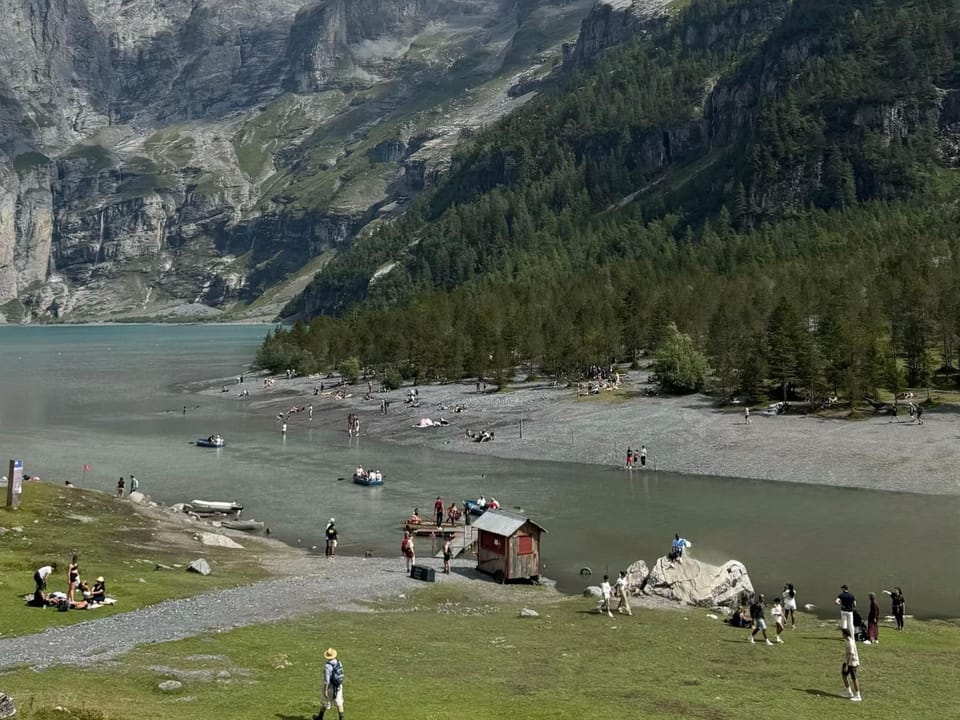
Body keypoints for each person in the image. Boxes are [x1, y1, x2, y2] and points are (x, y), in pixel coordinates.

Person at [315, 647, 345, 720]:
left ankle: (320, 717)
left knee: (325, 701)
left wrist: (325, 690)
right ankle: (342, 718)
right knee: (339, 702)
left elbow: (326, 680)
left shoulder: (327, 666)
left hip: (330, 687)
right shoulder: (338, 662)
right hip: (338, 685)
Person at [841, 628, 862, 701]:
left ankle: (858, 695)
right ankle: (849, 692)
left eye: (843, 633)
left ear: (845, 634)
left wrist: (847, 664)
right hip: (847, 661)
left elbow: (851, 654)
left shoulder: (850, 642)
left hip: (852, 663)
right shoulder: (846, 641)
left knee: (854, 678)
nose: (842, 635)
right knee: (844, 675)